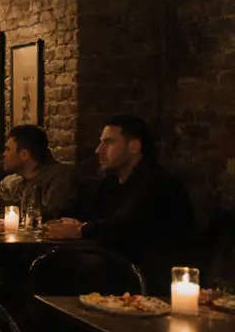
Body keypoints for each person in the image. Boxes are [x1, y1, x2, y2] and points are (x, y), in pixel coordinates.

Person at [48, 115, 194, 294]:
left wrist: (80, 230)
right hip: (116, 261)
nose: (98, 150)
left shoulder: (157, 182)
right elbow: (86, 213)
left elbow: (124, 225)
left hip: (146, 275)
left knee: (63, 268)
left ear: (134, 146)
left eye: (108, 143)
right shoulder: (110, 182)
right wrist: (63, 221)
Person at [0, 124, 79, 220]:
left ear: (24, 154)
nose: (4, 154)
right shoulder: (12, 181)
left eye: (8, 149)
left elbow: (52, 220)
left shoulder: (60, 179)